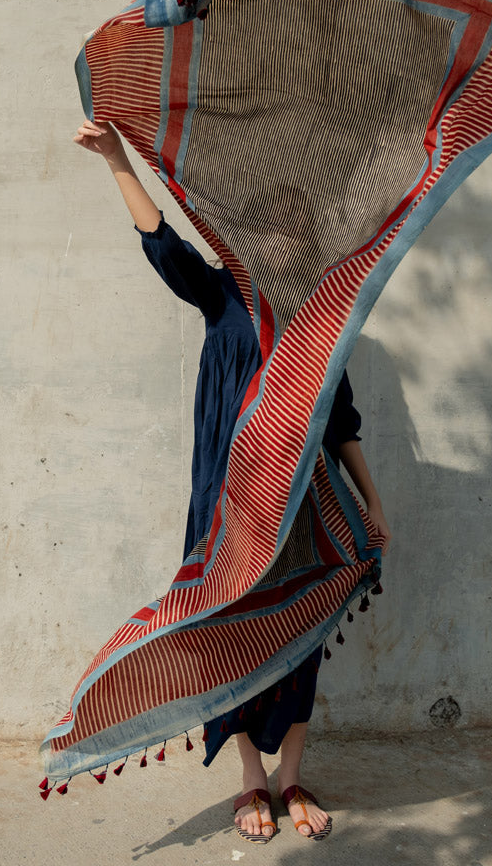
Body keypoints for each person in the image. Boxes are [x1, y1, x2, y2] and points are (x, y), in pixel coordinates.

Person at [73, 117, 392, 843]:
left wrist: (373, 501)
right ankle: (251, 779)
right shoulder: (222, 299)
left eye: (290, 233)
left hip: (304, 508)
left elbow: (342, 422)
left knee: (299, 632)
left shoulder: (320, 322)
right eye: (266, 232)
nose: (278, 244)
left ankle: (294, 778)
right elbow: (162, 243)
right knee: (229, 633)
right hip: (227, 510)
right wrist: (117, 158)